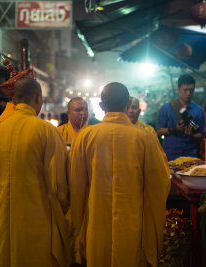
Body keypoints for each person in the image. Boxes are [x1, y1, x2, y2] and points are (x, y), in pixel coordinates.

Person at [69, 82, 170, 267]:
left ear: (101, 106)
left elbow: (76, 187)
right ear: (126, 105)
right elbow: (160, 184)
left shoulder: (85, 137)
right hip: (132, 221)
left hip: (96, 221)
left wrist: (78, 225)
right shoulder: (145, 138)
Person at [0, 77, 70, 267]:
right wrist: (64, 215)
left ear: (14, 100)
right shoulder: (46, 131)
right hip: (38, 217)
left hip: (6, 216)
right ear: (38, 98)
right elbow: (59, 185)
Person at [155, 74, 205, 161]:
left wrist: (192, 135)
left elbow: (201, 135)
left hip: (191, 156)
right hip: (170, 155)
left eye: (191, 90)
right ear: (178, 89)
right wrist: (174, 129)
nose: (188, 93)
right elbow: (158, 132)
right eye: (185, 90)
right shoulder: (166, 108)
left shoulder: (199, 110)